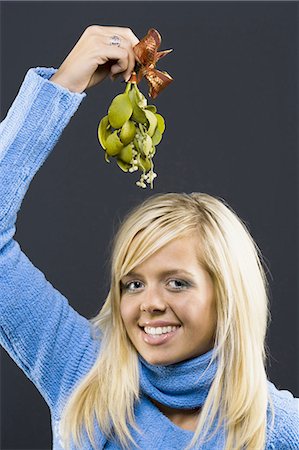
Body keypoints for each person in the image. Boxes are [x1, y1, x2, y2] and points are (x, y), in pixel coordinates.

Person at [0, 25, 298, 450]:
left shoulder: (274, 428)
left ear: (228, 294)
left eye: (177, 282)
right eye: (133, 283)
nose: (149, 303)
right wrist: (65, 83)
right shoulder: (84, 371)